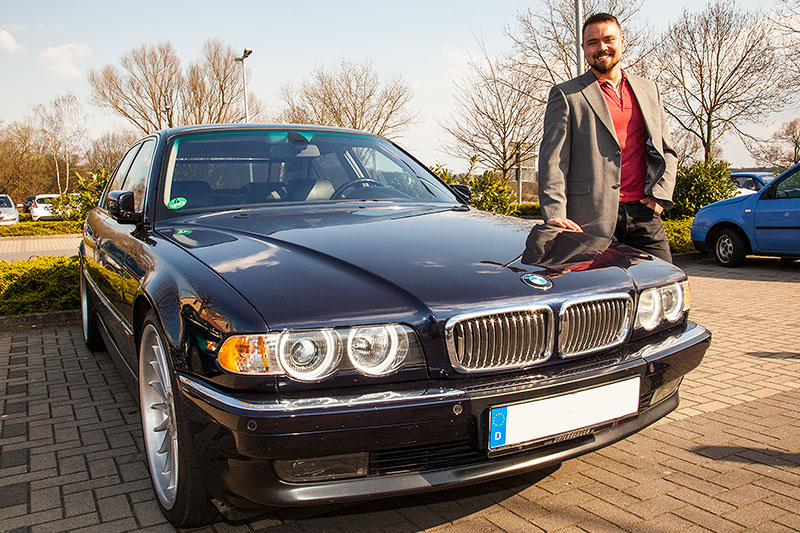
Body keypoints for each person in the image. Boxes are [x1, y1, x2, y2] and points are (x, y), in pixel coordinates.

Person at [537, 12, 677, 262]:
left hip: (644, 215)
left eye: (608, 39)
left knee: (664, 287)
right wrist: (554, 213)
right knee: (599, 296)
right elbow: (553, 161)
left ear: (622, 41)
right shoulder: (567, 95)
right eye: (592, 43)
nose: (601, 47)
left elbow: (666, 149)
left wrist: (659, 197)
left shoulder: (648, 90)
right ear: (583, 49)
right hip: (589, 220)